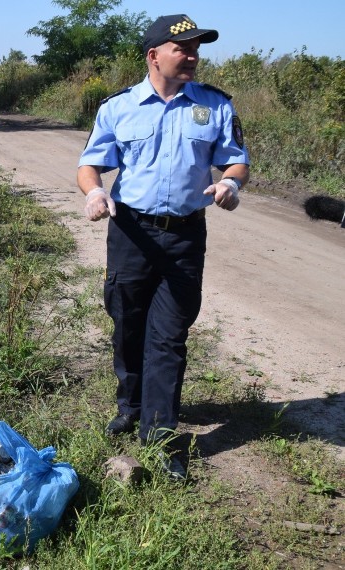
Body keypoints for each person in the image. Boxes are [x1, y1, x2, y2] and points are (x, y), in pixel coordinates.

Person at [77, 14, 250, 481]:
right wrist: (94, 192)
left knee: (169, 335)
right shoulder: (118, 107)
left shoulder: (214, 107)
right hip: (130, 231)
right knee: (127, 321)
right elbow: (91, 164)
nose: (193, 55)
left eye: (196, 48)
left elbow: (235, 162)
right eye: (184, 48)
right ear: (154, 55)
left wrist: (230, 186)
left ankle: (160, 435)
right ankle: (130, 405)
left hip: (184, 236)